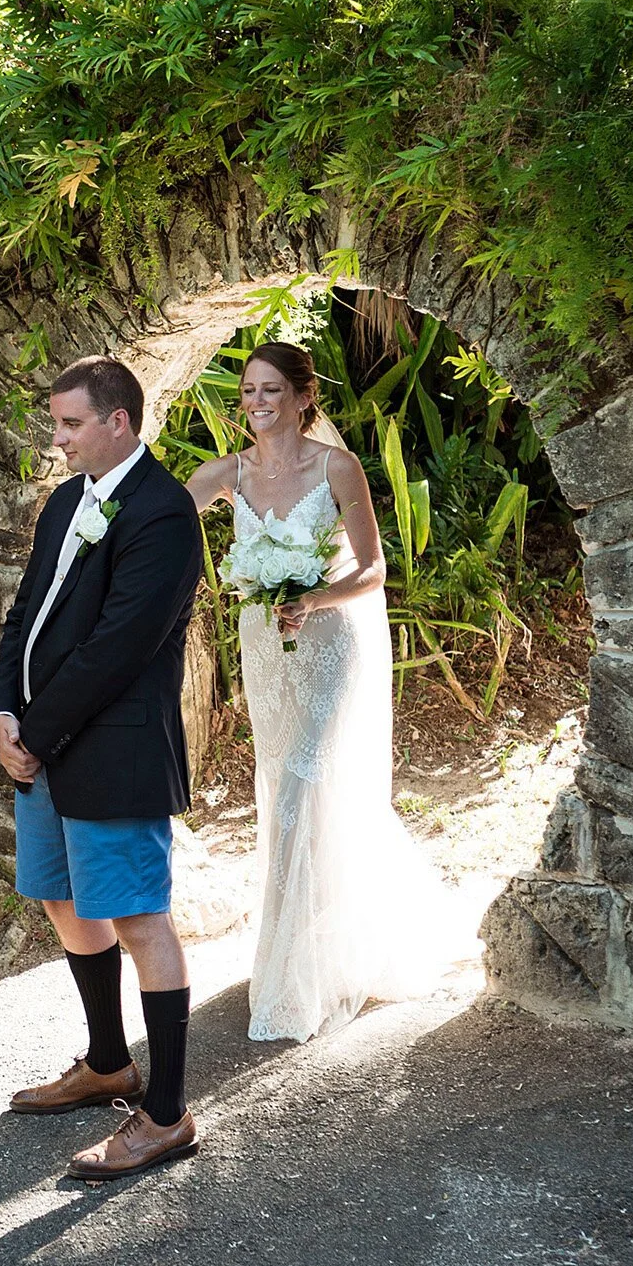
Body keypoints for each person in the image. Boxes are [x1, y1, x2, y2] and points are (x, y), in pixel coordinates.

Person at [186, 340, 465, 1042]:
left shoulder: (336, 466)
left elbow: (372, 570)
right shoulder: (226, 471)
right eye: (248, 390)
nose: (256, 403)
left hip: (328, 637)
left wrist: (314, 595)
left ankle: (288, 968)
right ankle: (312, 939)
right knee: (282, 782)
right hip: (264, 644)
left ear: (304, 396)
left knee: (305, 780)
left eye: (271, 390)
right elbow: (160, 522)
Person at [0, 355, 207, 1179]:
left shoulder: (163, 513)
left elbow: (119, 648)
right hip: (41, 744)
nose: (59, 438)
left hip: (111, 750)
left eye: (71, 424)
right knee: (57, 892)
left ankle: (167, 1113)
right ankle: (109, 1061)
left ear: (118, 421)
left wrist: (36, 731)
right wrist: (4, 710)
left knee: (138, 916)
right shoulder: (63, 505)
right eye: (58, 423)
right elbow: (25, 614)